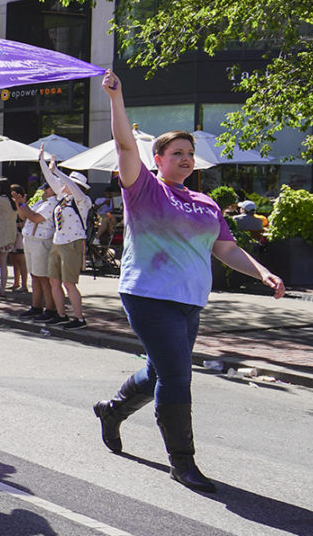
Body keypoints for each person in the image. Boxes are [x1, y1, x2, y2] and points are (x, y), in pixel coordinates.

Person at [92, 71, 285, 493]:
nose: (185, 159)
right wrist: (116, 98)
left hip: (190, 300)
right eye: (176, 153)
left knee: (159, 372)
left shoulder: (205, 202)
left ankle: (112, 411)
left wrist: (262, 271)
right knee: (178, 377)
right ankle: (184, 462)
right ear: (157, 159)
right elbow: (126, 144)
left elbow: (226, 249)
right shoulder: (143, 189)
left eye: (189, 154)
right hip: (147, 294)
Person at [38, 155, 93, 330]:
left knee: (69, 283)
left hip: (73, 242)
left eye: (67, 184)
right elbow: (51, 179)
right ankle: (61, 314)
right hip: (58, 241)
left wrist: (58, 171)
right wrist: (42, 162)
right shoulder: (63, 198)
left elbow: (72, 187)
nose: (62, 186)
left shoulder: (82, 200)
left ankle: (79, 318)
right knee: (54, 280)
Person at [15, 186, 57, 320]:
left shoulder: (53, 203)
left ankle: (50, 309)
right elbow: (23, 216)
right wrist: (18, 202)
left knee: (43, 277)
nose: (44, 190)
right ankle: (36, 306)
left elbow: (35, 218)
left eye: (48, 188)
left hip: (41, 242)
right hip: (30, 240)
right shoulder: (40, 202)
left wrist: (22, 204)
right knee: (34, 275)